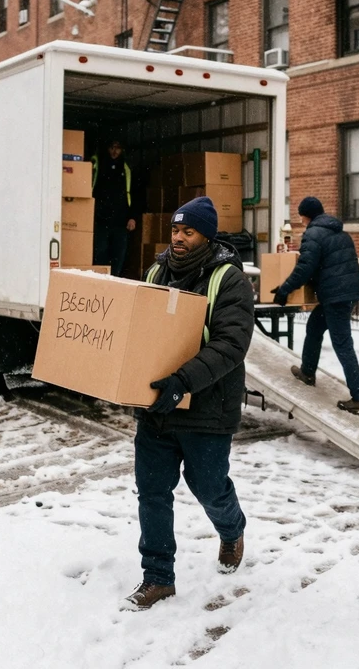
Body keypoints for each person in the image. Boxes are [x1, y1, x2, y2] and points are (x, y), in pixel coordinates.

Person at [123, 196, 256, 611]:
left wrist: (183, 382)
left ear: (206, 235)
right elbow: (139, 331)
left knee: (210, 489)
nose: (178, 238)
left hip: (207, 409)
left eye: (188, 231)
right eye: (175, 231)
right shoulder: (157, 270)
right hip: (158, 406)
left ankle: (232, 530)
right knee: (152, 491)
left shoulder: (228, 279)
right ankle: (158, 577)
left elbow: (231, 344)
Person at [272, 196, 359, 416]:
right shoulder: (340, 233)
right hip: (346, 293)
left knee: (343, 345)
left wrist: (283, 290)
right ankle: (307, 372)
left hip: (335, 297)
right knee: (314, 328)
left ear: (306, 216)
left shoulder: (313, 234)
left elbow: (305, 268)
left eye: (302, 217)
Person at [91, 138, 138, 276]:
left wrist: (132, 217)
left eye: (117, 148)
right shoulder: (98, 165)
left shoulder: (126, 168)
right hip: (101, 219)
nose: (114, 151)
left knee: (118, 255)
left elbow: (135, 194)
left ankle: (114, 282)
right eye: (111, 147)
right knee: (100, 253)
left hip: (121, 220)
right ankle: (100, 281)